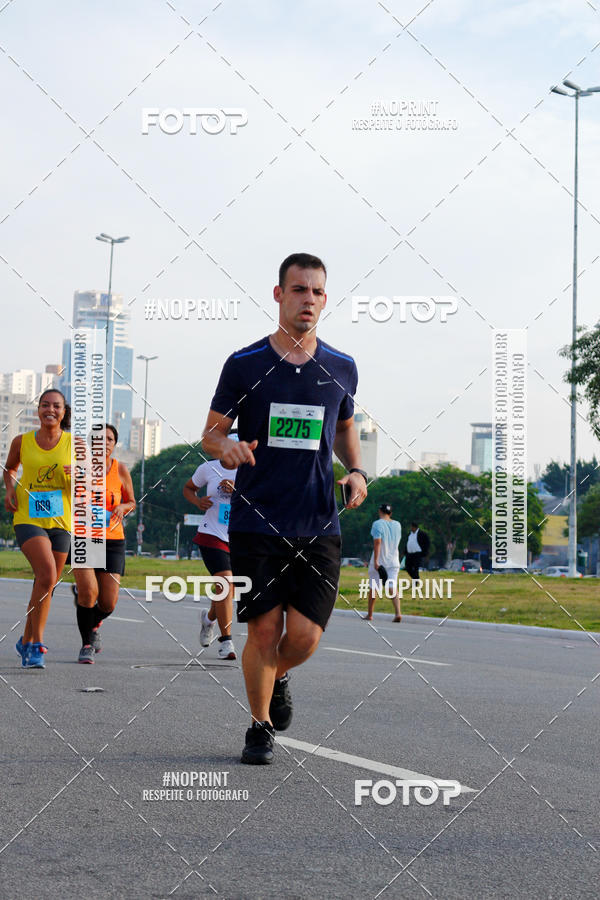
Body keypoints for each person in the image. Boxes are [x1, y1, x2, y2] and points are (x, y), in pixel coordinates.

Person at [202, 252, 367, 765]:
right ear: (279, 295)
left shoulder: (341, 366)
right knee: (265, 631)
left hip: (318, 520)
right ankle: (260, 727)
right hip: (256, 520)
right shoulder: (246, 363)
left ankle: (281, 675)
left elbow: (342, 427)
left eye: (317, 292)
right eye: (299, 290)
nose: (309, 300)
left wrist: (357, 470)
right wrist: (224, 446)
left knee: (304, 637)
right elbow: (211, 432)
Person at [3, 389, 72, 668]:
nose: (50, 410)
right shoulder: (22, 441)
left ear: (64, 412)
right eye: (45, 405)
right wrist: (9, 489)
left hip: (61, 522)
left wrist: (79, 476)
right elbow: (10, 469)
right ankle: (35, 645)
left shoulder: (75, 445)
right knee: (46, 574)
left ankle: (24, 639)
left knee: (46, 584)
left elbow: (90, 486)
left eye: (56, 406)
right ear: (38, 410)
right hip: (28, 518)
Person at [73, 424, 135, 663]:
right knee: (88, 594)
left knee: (108, 602)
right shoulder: (79, 468)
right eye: (99, 439)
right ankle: (87, 643)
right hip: (84, 537)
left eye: (109, 439)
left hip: (113, 540)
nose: (104, 442)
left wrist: (122, 507)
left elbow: (132, 502)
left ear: (114, 444)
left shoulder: (120, 470)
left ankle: (94, 622)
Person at [182, 439, 238, 660]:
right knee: (225, 582)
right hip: (211, 533)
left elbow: (264, 500)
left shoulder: (251, 471)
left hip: (239, 537)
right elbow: (188, 488)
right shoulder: (208, 468)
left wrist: (238, 491)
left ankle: (208, 620)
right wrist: (197, 502)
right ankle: (227, 643)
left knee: (227, 590)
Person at [364, 503, 402, 622]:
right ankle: (398, 613)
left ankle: (370, 614)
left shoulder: (377, 524)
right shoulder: (397, 525)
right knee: (392, 587)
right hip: (394, 560)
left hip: (380, 561)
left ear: (380, 511)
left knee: (374, 587)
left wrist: (376, 561)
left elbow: (377, 542)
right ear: (390, 513)